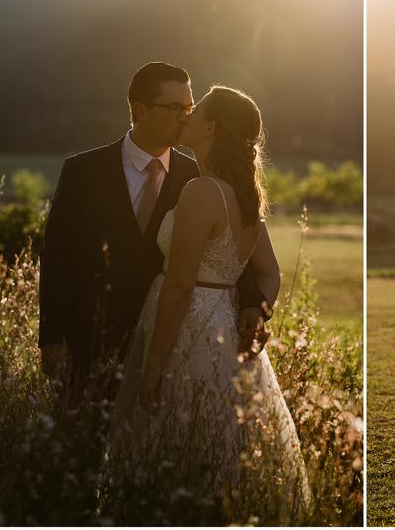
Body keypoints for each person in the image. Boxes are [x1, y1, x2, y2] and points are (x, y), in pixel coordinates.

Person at [108, 86, 311, 517]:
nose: (187, 114)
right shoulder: (246, 196)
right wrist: (258, 312)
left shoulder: (202, 191)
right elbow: (269, 272)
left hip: (188, 329)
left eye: (195, 110)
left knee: (173, 437)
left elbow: (180, 286)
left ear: (212, 127)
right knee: (217, 442)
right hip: (222, 325)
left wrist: (153, 366)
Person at [39, 62, 270, 389]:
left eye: (190, 108)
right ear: (141, 110)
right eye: (176, 107)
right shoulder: (83, 171)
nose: (185, 116)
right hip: (89, 341)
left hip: (171, 343)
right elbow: (56, 256)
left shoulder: (201, 177)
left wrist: (252, 303)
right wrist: (52, 336)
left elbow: (227, 252)